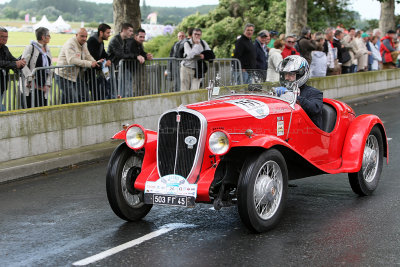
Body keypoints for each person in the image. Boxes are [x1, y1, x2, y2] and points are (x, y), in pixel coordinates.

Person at [275, 55, 323, 128]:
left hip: (307, 131)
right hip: (287, 128)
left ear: (300, 75)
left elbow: (314, 109)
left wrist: (293, 96)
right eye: (285, 74)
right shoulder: (282, 91)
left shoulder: (314, 92)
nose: (287, 77)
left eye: (291, 74)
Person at [55, 28, 100, 104]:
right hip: (63, 75)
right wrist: (89, 64)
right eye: (82, 36)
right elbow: (72, 60)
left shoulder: (84, 44)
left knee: (85, 97)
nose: (84, 39)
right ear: (76, 35)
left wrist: (95, 62)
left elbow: (87, 55)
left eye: (86, 36)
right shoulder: (70, 44)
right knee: (73, 99)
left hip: (75, 76)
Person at [20, 27, 53, 108]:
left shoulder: (48, 49)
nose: (50, 37)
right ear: (43, 37)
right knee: (29, 110)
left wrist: (48, 84)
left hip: (43, 87)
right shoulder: (30, 48)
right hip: (31, 87)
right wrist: (30, 80)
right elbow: (23, 64)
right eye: (48, 35)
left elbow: (51, 68)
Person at [0, 27, 26, 111]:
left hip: (2, 83)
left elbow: (12, 59)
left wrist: (21, 63)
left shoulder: (5, 48)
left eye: (6, 37)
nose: (4, 39)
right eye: (2, 36)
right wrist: (15, 64)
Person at [107, 23, 136, 97]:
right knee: (115, 90)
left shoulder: (126, 40)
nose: (132, 33)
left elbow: (129, 53)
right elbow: (121, 55)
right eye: (130, 31)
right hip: (113, 68)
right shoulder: (115, 40)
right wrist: (135, 56)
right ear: (123, 30)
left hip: (120, 68)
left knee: (124, 89)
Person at [87, 23, 112, 100]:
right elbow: (93, 57)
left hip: (99, 71)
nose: (109, 35)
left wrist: (108, 60)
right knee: (97, 94)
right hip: (91, 73)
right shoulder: (92, 41)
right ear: (101, 33)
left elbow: (104, 53)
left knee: (104, 91)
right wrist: (103, 62)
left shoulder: (101, 42)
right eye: (107, 33)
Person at [130, 28, 153, 95]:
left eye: (143, 37)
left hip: (136, 69)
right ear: (135, 36)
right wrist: (143, 56)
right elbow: (132, 54)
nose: (142, 39)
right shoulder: (131, 43)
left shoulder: (139, 43)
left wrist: (147, 55)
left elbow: (141, 53)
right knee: (133, 88)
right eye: (140, 37)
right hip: (130, 70)